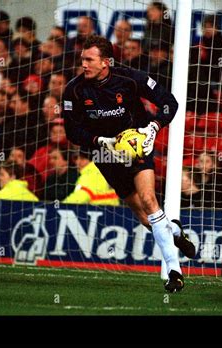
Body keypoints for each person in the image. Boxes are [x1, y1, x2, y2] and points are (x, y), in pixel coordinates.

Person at [62, 35, 195, 292]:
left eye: (89, 60)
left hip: (137, 147)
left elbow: (170, 102)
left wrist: (153, 128)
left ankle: (174, 272)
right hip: (105, 154)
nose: (84, 65)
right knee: (144, 216)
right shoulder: (74, 90)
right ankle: (176, 234)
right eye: (82, 60)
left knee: (149, 199)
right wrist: (101, 141)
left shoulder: (131, 79)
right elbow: (72, 132)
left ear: (105, 62)